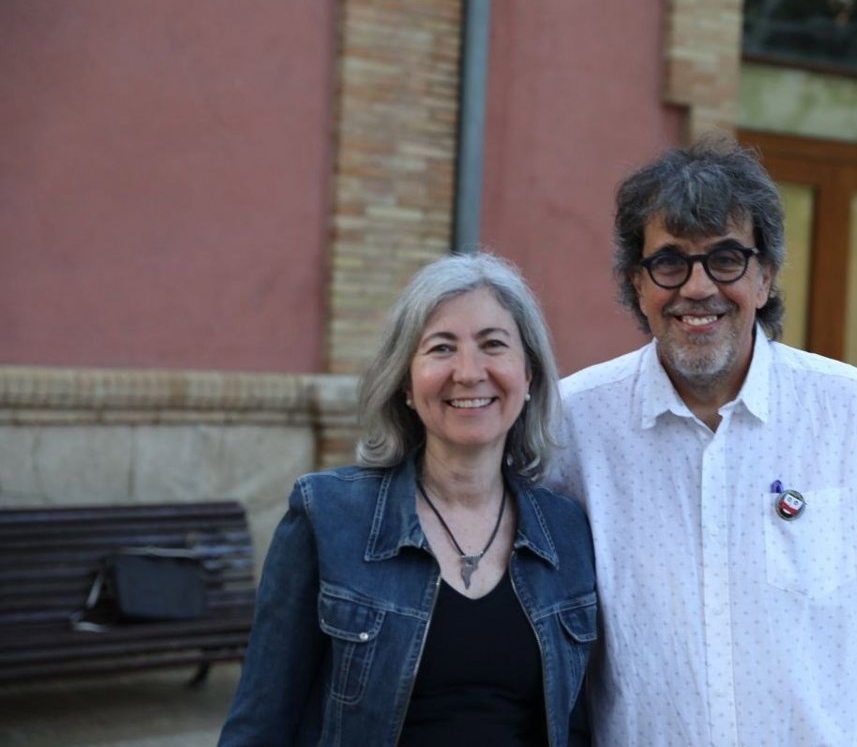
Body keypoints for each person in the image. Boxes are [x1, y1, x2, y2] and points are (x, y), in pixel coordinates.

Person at [550, 135, 857, 746]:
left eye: (726, 259)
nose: (697, 287)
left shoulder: (853, 412)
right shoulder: (573, 423)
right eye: (669, 262)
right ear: (637, 285)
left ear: (766, 277)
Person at [219, 253, 597, 747]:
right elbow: (261, 723)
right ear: (405, 383)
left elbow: (576, 727)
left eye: (493, 345)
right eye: (442, 348)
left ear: (529, 375)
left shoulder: (566, 531)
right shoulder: (328, 515)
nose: (468, 372)